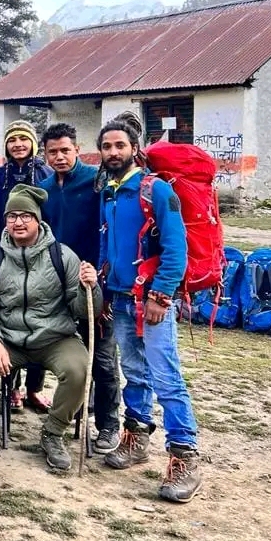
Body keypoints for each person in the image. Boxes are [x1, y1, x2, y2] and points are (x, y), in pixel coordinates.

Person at [97, 119, 202, 503]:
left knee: (166, 375)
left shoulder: (156, 190)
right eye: (106, 146)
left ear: (134, 148)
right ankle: (136, 436)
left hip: (151, 300)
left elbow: (176, 249)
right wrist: (106, 291)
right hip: (121, 298)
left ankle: (184, 455)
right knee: (135, 372)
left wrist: (160, 296)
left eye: (119, 145)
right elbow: (109, 247)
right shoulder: (109, 193)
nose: (112, 152)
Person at [0, 185, 100, 468]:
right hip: (9, 338)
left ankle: (53, 433)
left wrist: (90, 287)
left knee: (79, 369)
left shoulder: (62, 256)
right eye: (12, 216)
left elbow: (84, 310)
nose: (18, 222)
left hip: (55, 337)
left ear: (38, 220)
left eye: (25, 216)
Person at [40, 122, 121, 454]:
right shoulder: (42, 188)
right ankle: (71, 407)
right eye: (52, 152)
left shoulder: (96, 183)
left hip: (92, 281)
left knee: (101, 355)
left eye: (65, 150)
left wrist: (99, 271)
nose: (59, 157)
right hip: (54, 283)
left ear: (77, 150)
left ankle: (108, 424)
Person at [0, 119, 55, 412]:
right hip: (6, 251)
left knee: (39, 317)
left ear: (33, 143)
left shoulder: (45, 173)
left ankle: (34, 388)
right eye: (12, 139)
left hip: (40, 252)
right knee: (10, 316)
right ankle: (11, 387)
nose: (18, 144)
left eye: (23, 139)